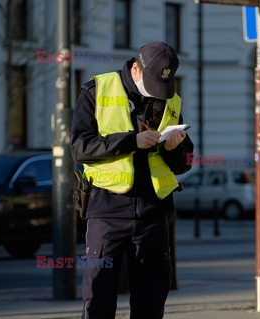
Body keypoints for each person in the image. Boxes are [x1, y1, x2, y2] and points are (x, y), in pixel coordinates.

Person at [71, 41, 193, 319]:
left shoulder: (169, 98)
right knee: (99, 299)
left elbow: (186, 162)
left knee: (151, 302)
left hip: (153, 213)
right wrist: (131, 141)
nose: (157, 93)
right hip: (106, 211)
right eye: (151, 83)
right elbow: (80, 147)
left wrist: (174, 150)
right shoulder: (97, 89)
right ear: (135, 68)